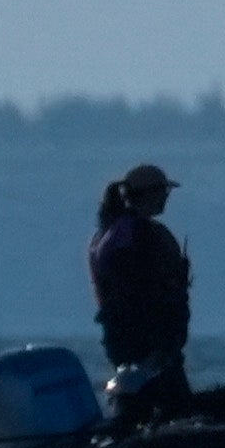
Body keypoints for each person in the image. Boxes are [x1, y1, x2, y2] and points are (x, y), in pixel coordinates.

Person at [88, 163, 196, 424]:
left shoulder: (108, 233)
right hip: (149, 343)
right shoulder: (141, 235)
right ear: (150, 193)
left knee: (137, 405)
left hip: (121, 339)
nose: (166, 199)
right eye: (163, 192)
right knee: (175, 408)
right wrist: (162, 342)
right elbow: (144, 292)